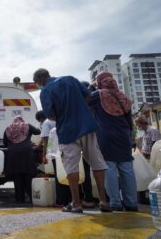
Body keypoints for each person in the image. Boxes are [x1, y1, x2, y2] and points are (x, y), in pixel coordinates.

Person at [33, 68, 111, 213]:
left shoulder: (45, 91)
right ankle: (104, 201)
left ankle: (76, 203)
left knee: (71, 167)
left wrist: (64, 114)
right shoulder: (70, 78)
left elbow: (50, 115)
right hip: (87, 125)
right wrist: (78, 109)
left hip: (67, 131)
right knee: (97, 162)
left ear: (40, 81)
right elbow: (88, 96)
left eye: (37, 83)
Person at [89, 72, 138, 211]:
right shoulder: (124, 98)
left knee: (109, 168)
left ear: (99, 82)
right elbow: (129, 122)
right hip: (124, 136)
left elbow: (84, 98)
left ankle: (115, 203)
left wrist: (93, 87)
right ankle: (131, 202)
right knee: (127, 169)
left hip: (106, 136)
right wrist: (131, 139)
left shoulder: (99, 95)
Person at [3, 116, 40, 203]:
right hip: (27, 153)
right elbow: (38, 132)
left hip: (13, 154)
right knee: (28, 176)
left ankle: (20, 199)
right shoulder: (27, 125)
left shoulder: (8, 128)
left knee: (17, 177)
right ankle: (32, 198)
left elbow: (5, 143)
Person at [47, 127, 72, 207]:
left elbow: (49, 145)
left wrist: (48, 155)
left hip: (56, 157)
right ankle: (71, 199)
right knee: (69, 176)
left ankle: (61, 201)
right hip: (68, 155)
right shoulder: (68, 128)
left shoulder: (53, 130)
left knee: (59, 178)